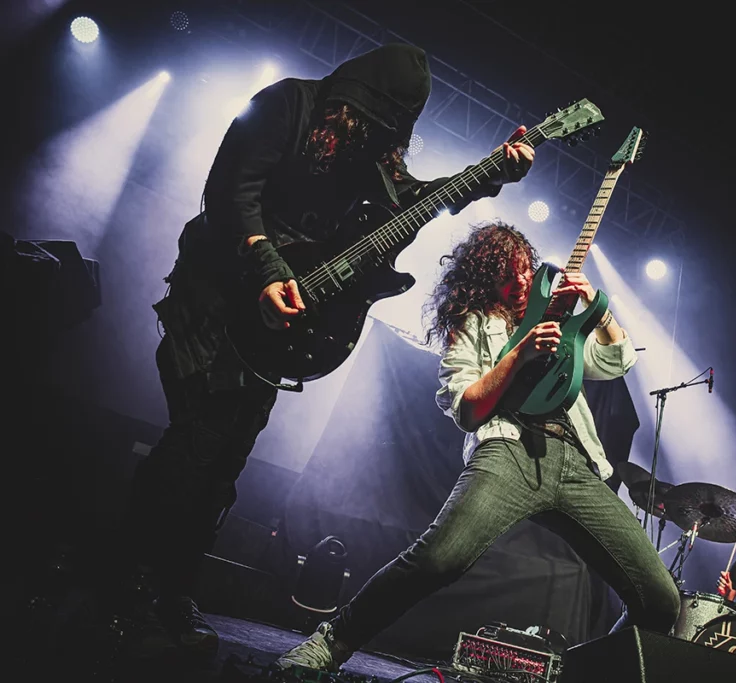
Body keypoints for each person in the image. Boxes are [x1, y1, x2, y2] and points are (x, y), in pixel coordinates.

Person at [114, 43, 536, 653]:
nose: (369, 137)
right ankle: (126, 576)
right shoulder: (287, 103)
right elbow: (230, 190)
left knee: (227, 457)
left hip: (274, 331)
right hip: (215, 297)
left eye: (384, 130)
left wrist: (487, 175)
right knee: (194, 441)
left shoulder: (375, 148)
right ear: (347, 101)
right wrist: (265, 266)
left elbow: (410, 205)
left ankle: (174, 588)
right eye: (363, 122)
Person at [272, 221, 681, 671]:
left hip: (578, 462)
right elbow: (466, 407)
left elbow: (616, 362)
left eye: (527, 269)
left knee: (661, 601)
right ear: (486, 278)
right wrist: (519, 353)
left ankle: (587, 676)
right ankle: (333, 641)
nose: (523, 280)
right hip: (508, 448)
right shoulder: (472, 322)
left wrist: (598, 312)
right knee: (438, 560)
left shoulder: (557, 319)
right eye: (510, 273)